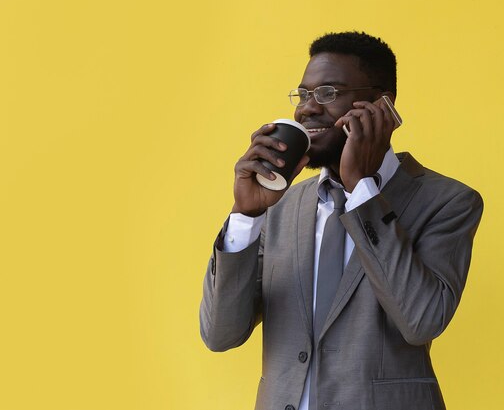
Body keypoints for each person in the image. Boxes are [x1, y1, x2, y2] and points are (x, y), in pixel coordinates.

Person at [200, 31, 483, 410]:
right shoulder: (279, 208)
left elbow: (422, 320)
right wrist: (246, 217)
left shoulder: (448, 202)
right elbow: (221, 334)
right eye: (302, 95)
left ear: (382, 105)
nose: (307, 109)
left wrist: (361, 189)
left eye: (328, 93)